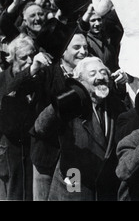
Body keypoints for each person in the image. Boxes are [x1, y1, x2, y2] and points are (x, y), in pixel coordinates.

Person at [34, 57, 126, 200]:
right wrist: (59, 104)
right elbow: (40, 128)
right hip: (74, 185)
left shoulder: (116, 106)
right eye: (93, 74)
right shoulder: (70, 106)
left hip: (105, 190)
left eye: (104, 72)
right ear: (80, 81)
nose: (100, 77)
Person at [30, 31, 89, 201]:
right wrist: (33, 68)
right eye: (77, 47)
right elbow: (14, 89)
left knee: (72, 197)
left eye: (85, 47)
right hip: (46, 157)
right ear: (63, 52)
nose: (83, 51)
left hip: (73, 161)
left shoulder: (88, 74)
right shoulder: (46, 73)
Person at [0, 34, 52, 200]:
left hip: (36, 149)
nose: (30, 61)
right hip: (10, 151)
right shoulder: (2, 80)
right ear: (12, 59)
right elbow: (9, 93)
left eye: (32, 55)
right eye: (23, 57)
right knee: (14, 193)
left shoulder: (42, 77)